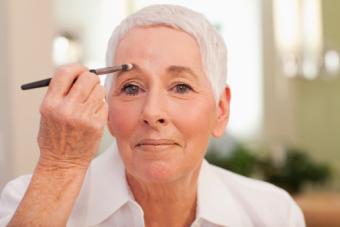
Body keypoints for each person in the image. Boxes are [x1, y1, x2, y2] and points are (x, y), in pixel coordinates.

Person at [0, 4, 305, 227]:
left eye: (181, 87)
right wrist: (59, 168)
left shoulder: (273, 214)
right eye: (131, 88)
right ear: (106, 107)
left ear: (221, 110)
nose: (152, 113)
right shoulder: (26, 201)